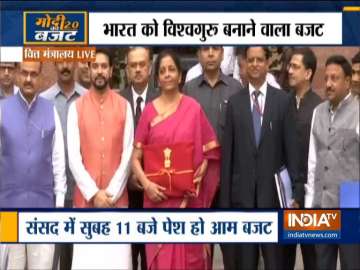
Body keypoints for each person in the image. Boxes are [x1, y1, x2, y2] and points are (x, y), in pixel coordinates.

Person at [132, 50, 220, 270]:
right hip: (157, 203)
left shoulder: (193, 109)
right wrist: (147, 185)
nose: (167, 74)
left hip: (188, 205)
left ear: (180, 76)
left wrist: (200, 172)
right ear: (158, 78)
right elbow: (135, 159)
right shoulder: (149, 112)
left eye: (172, 70)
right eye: (162, 71)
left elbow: (210, 151)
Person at [219, 47, 301, 270]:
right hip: (242, 201)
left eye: (260, 60)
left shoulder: (283, 101)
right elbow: (228, 158)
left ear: (267, 64)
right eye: (251, 60)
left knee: (275, 263)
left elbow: (291, 152)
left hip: (273, 200)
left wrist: (296, 192)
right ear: (244, 64)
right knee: (245, 264)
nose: (255, 64)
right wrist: (225, 203)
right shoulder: (234, 103)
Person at [68, 49, 133, 269]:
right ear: (89, 70)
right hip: (86, 203)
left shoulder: (125, 106)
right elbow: (74, 159)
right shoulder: (75, 108)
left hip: (117, 203)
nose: (99, 71)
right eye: (95, 66)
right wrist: (94, 194)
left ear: (111, 70)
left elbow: (127, 154)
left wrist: (110, 195)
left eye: (104, 66)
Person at [0, 61, 66, 269]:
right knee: (11, 265)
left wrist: (59, 204)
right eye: (25, 73)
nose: (29, 79)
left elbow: (58, 161)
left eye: (34, 74)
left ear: (39, 77)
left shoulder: (50, 111)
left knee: (43, 265)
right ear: (18, 75)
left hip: (43, 207)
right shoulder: (2, 110)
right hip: (8, 209)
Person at [305, 55, 360, 270]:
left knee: (351, 264)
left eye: (335, 78)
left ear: (347, 81)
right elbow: (313, 160)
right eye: (326, 78)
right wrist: (311, 205)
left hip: (351, 202)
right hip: (322, 203)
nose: (328, 83)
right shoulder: (317, 112)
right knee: (323, 264)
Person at [41, 61, 87, 270]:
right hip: (54, 194)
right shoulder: (44, 101)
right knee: (55, 259)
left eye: (70, 60)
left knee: (81, 259)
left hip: (84, 195)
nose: (65, 65)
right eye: (61, 61)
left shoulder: (88, 98)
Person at [120, 47, 158, 270]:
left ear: (150, 68)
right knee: (128, 257)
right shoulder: (118, 100)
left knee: (151, 257)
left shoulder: (161, 99)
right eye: (132, 65)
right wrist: (128, 178)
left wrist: (146, 179)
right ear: (126, 70)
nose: (137, 69)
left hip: (155, 192)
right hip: (124, 192)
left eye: (141, 64)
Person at [283, 47, 321, 270]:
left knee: (313, 259)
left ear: (308, 73)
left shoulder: (320, 108)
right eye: (289, 66)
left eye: (295, 67)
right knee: (283, 259)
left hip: (311, 199)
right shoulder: (281, 103)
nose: (289, 70)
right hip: (286, 195)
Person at [184, 46, 241, 143]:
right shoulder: (189, 89)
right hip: (199, 155)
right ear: (199, 55)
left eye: (215, 48)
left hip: (227, 155)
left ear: (222, 54)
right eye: (205, 49)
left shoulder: (235, 88)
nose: (210, 54)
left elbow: (241, 129)